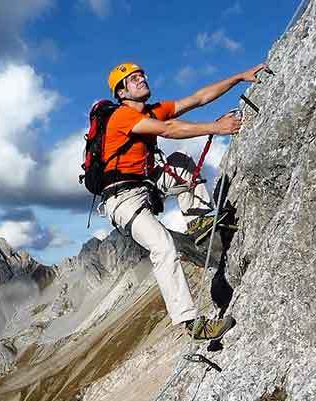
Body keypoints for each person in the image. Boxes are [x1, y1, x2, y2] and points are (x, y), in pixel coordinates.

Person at [100, 61, 264, 340]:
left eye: (142, 75)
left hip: (145, 183)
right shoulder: (121, 117)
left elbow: (198, 98)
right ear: (122, 92)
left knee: (180, 162)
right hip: (122, 200)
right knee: (163, 248)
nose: (142, 79)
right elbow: (169, 130)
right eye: (133, 78)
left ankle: (200, 220)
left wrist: (238, 77)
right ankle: (193, 324)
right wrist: (216, 127)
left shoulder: (152, 110)